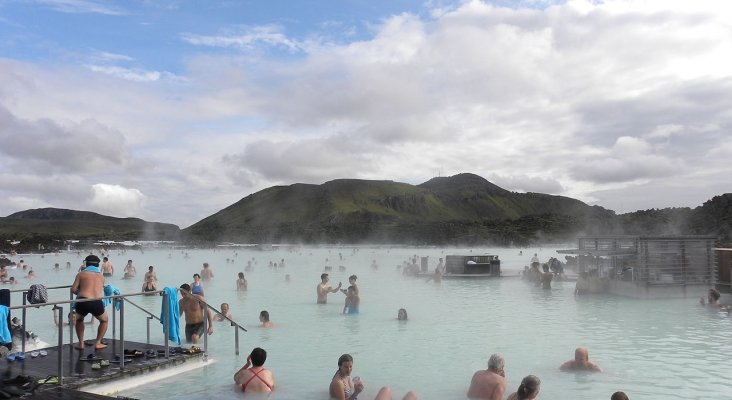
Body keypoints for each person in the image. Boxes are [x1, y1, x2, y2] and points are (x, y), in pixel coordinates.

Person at [70, 254, 108, 350]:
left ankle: (81, 344)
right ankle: (98, 343)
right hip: (96, 301)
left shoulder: (81, 274)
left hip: (83, 300)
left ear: (86, 264)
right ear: (97, 265)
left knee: (79, 320)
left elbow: (73, 289)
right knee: (104, 320)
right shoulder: (101, 276)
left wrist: (81, 291)